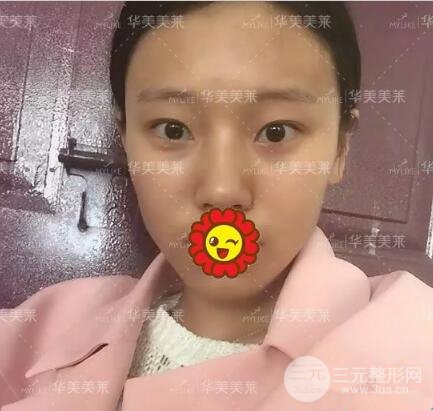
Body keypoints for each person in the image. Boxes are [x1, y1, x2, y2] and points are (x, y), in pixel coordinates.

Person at [1, 2, 432, 410]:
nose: (223, 190)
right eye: (172, 129)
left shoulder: (413, 345)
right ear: (126, 138)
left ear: (339, 147)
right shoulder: (38, 328)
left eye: (277, 132)